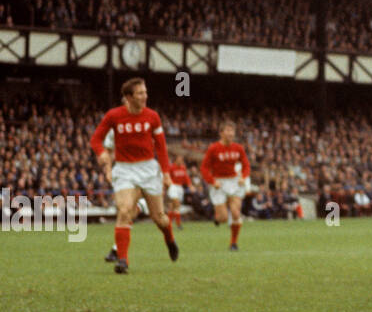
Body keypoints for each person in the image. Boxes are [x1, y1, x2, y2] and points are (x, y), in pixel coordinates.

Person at [90, 77, 179, 274]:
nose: (145, 96)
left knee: (159, 218)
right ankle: (123, 260)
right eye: (140, 93)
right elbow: (96, 139)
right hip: (124, 170)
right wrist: (102, 153)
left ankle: (170, 239)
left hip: (148, 170)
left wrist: (165, 173)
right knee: (124, 211)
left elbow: (161, 147)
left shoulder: (152, 116)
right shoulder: (114, 116)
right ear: (128, 97)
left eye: (145, 92)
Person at [201, 120, 251, 251]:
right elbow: (204, 168)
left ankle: (233, 243)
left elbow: (246, 165)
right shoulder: (213, 148)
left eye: (232, 131)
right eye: (228, 130)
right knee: (223, 218)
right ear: (221, 133)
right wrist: (213, 181)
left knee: (235, 213)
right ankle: (218, 218)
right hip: (219, 183)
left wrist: (243, 177)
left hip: (234, 182)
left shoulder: (238, 148)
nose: (230, 133)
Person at [165, 157, 191, 230]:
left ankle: (167, 224)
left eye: (182, 160)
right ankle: (178, 224)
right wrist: (167, 185)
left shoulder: (183, 168)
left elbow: (186, 177)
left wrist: (190, 185)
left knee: (173, 207)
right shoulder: (171, 167)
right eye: (179, 160)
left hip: (180, 187)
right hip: (173, 186)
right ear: (175, 160)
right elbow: (167, 177)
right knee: (177, 205)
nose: (180, 161)